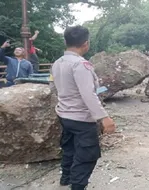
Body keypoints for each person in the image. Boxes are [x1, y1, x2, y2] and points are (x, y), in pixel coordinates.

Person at [49, 25, 116, 190]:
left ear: (66, 41)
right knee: (86, 155)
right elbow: (88, 94)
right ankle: (77, 186)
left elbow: (53, 87)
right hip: (81, 118)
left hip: (64, 115)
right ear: (86, 43)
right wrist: (104, 117)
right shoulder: (81, 65)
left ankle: (66, 178)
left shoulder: (57, 63)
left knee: (69, 147)